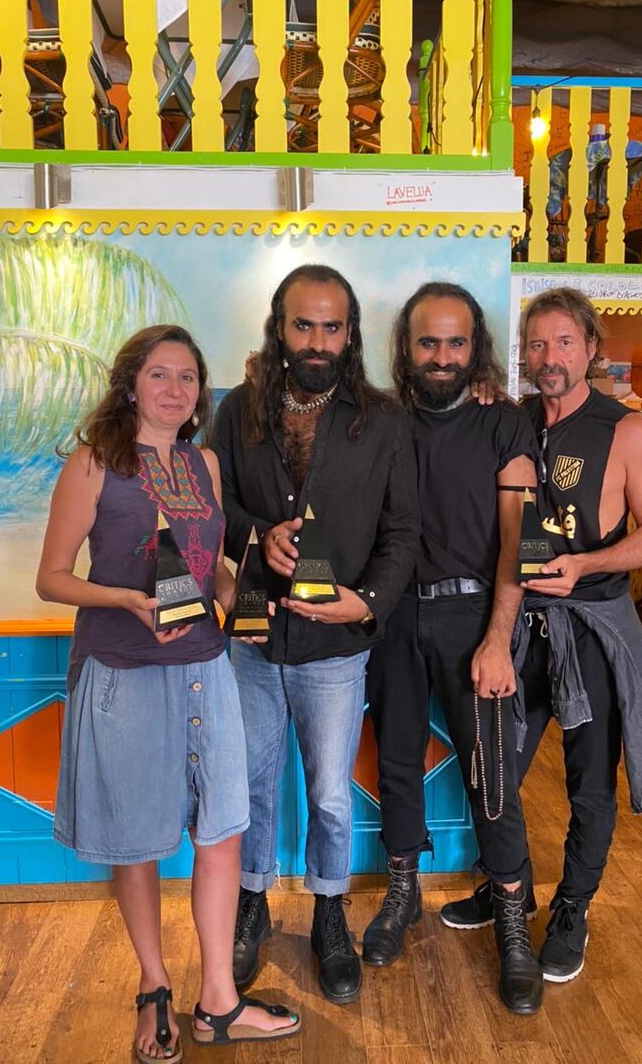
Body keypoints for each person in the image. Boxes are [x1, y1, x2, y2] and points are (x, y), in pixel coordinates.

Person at [36, 325, 299, 1062]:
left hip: (205, 665)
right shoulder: (94, 464)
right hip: (122, 671)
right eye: (160, 375)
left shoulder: (202, 462)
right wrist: (128, 601)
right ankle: (154, 988)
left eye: (188, 377)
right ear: (131, 385)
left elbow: (207, 561)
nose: (175, 389)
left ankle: (219, 1000)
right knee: (141, 837)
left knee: (220, 830)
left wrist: (236, 603)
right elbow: (52, 577)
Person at [442, 286, 642, 984]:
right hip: (517, 626)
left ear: (591, 348)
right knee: (496, 768)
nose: (550, 357)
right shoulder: (513, 423)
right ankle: (510, 884)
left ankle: (573, 910)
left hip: (593, 630)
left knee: (589, 787)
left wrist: (587, 564)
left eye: (564, 343)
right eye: (537, 345)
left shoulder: (625, 430)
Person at [213, 264, 419, 1005]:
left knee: (331, 795)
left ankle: (329, 912)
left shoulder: (384, 419)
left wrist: (364, 604)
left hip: (337, 649)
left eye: (334, 327)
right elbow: (215, 506)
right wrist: (257, 535)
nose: (319, 340)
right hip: (253, 638)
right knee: (254, 787)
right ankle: (252, 906)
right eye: (304, 325)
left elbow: (403, 532)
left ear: (351, 332)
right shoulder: (237, 411)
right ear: (279, 326)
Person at [362, 282, 544, 1015]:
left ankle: (511, 916)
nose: (442, 357)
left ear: (477, 348)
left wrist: (499, 638)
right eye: (428, 342)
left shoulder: (504, 428)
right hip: (393, 621)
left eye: (456, 342)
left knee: (492, 778)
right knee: (397, 761)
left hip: (476, 618)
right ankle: (402, 892)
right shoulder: (379, 425)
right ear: (406, 348)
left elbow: (518, 543)